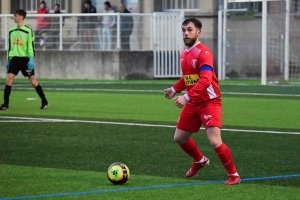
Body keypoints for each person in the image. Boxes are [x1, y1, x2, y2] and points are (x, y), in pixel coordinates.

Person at [164, 18, 240, 185]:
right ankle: (199, 160)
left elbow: (205, 81)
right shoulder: (184, 53)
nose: (186, 33)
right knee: (180, 138)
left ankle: (233, 175)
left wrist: (186, 97)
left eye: (190, 30)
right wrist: (175, 89)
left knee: (214, 140)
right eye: (183, 30)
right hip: (194, 102)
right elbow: (188, 78)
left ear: (199, 32)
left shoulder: (204, 53)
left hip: (209, 101)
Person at [0, 9, 48, 110]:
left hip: (25, 60)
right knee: (9, 79)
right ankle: (5, 104)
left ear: (21, 17)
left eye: (16, 15)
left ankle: (44, 100)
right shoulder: (11, 30)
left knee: (33, 81)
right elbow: (9, 46)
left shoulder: (28, 31)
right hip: (14, 59)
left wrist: (31, 59)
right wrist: (9, 59)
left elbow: (31, 46)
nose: (14, 17)